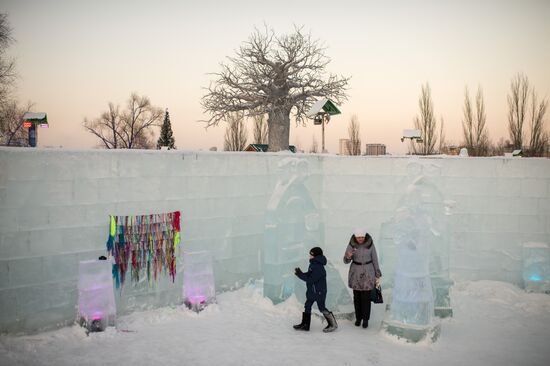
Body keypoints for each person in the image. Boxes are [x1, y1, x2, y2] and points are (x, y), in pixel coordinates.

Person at [293, 247, 338, 333]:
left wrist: (300, 275)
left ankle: (333, 324)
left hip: (319, 292)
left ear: (316, 256)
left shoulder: (319, 267)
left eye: (311, 255)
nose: (309, 256)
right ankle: (305, 324)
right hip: (312, 291)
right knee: (307, 305)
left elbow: (311, 279)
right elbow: (309, 274)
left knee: (321, 308)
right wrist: (301, 273)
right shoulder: (313, 264)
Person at [343, 228, 382, 328]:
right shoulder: (352, 245)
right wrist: (348, 256)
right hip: (355, 272)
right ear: (355, 237)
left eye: (362, 237)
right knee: (357, 297)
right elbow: (345, 261)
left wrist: (377, 272)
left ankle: (365, 319)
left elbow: (375, 258)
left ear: (365, 237)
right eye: (358, 237)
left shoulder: (370, 244)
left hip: (368, 272)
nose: (360, 239)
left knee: (366, 297)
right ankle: (358, 318)